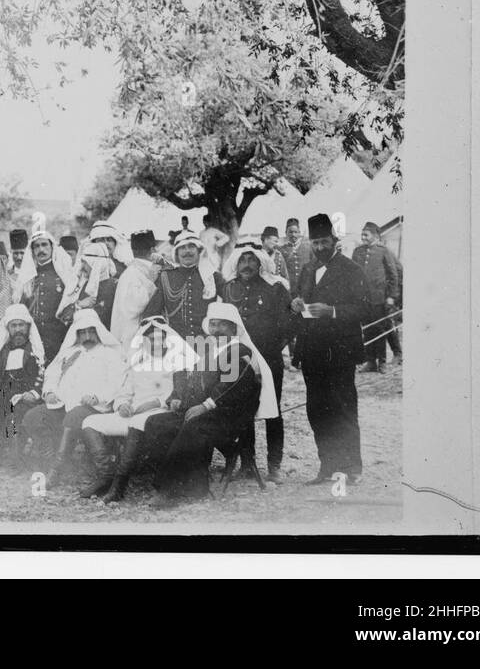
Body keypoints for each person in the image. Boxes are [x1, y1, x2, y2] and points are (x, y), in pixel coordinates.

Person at [147, 302, 275, 507]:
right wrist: (178, 398)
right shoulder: (210, 349)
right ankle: (192, 483)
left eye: (221, 325)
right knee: (156, 422)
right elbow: (192, 380)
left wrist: (204, 406)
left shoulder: (238, 351)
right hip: (208, 409)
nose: (215, 330)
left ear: (233, 328)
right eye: (213, 324)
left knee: (194, 426)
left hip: (229, 415)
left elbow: (229, 388)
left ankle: (169, 489)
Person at [81, 317, 198, 502]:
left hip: (158, 413)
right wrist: (122, 405)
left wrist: (150, 405)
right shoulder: (137, 362)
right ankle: (106, 475)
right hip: (132, 412)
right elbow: (124, 392)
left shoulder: (177, 361)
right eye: (151, 339)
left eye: (160, 338)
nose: (156, 342)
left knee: (138, 421)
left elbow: (175, 395)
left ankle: (119, 485)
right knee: (89, 422)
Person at [293, 213, 372, 485]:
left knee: (343, 407)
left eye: (324, 241)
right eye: (315, 242)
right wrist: (295, 304)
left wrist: (333, 311)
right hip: (312, 351)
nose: (319, 247)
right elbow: (299, 301)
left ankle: (352, 467)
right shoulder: (306, 270)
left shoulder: (351, 270)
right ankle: (327, 466)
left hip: (340, 351)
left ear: (334, 241)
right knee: (317, 410)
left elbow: (366, 308)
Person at [21, 309, 127, 487]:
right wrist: (50, 392)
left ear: (98, 331)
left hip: (94, 408)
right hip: (63, 404)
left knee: (74, 417)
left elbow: (117, 382)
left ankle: (56, 470)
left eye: (91, 331)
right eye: (82, 332)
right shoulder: (68, 352)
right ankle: (48, 463)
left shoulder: (110, 353)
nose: (87, 336)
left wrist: (97, 397)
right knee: (34, 416)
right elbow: (52, 374)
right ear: (76, 333)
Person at [220, 237, 292, 483]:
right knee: (242, 411)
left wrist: (270, 352)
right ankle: (247, 464)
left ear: (260, 261)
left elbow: (287, 326)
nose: (247, 264)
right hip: (239, 361)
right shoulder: (228, 289)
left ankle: (274, 467)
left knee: (273, 411)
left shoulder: (275, 287)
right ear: (236, 263)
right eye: (243, 260)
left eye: (252, 259)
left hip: (269, 359)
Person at [0, 304, 45, 474]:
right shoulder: (0, 350)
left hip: (24, 398)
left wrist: (33, 393)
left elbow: (44, 375)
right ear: (8, 328)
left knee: (16, 413)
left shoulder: (36, 349)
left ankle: (15, 460)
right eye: (14, 326)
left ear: (28, 327)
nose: (18, 330)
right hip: (0, 397)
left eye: (21, 325)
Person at [140, 229, 218, 341]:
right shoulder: (165, 277)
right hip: (176, 344)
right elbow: (151, 315)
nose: (187, 251)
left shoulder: (213, 277)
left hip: (207, 344)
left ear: (199, 250)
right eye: (182, 248)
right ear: (176, 253)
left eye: (191, 247)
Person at [351, 221, 403, 371]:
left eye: (366, 235)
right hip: (363, 300)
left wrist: (391, 296)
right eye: (362, 234)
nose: (363, 237)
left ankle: (382, 362)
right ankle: (370, 362)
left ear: (375, 236)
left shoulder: (383, 251)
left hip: (380, 299)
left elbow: (393, 276)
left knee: (380, 330)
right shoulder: (357, 251)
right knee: (367, 330)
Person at [16, 230, 76, 358]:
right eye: (36, 246)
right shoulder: (28, 278)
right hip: (34, 338)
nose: (41, 249)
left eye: (44, 245)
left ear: (52, 247)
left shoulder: (63, 274)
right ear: (32, 251)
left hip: (59, 337)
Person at [110, 230, 164, 346]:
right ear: (152, 250)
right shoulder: (132, 273)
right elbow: (134, 306)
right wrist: (150, 281)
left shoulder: (135, 271)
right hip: (132, 336)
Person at [280, 218, 312, 295]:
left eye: (295, 232)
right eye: (290, 232)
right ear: (286, 233)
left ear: (299, 233)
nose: (293, 235)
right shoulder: (281, 250)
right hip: (288, 291)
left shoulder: (308, 248)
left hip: (306, 291)